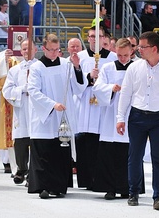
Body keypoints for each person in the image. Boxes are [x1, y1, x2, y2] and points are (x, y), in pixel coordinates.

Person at [117, 31, 159, 210]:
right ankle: (133, 192)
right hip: (137, 116)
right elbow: (126, 93)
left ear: (154, 48)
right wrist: (120, 118)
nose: (138, 49)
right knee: (135, 156)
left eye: (142, 47)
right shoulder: (134, 67)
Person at [27, 34, 86, 199]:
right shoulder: (37, 67)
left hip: (62, 117)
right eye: (51, 50)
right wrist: (52, 104)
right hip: (45, 117)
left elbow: (78, 88)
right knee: (44, 152)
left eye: (57, 50)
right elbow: (33, 91)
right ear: (43, 49)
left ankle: (58, 186)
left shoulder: (66, 64)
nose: (54, 53)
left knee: (60, 153)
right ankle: (43, 187)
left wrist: (77, 68)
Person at [75, 27, 117, 189]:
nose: (95, 39)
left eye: (98, 36)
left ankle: (100, 180)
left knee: (102, 143)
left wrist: (102, 84)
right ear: (88, 38)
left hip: (103, 105)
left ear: (104, 38)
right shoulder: (80, 57)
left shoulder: (112, 58)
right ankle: (85, 180)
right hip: (85, 102)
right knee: (84, 141)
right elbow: (73, 82)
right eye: (92, 36)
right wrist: (88, 77)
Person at [92, 38, 132, 199]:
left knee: (127, 154)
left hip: (130, 114)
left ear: (131, 52)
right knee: (109, 153)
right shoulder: (108, 68)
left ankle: (127, 187)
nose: (122, 58)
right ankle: (109, 187)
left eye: (125, 55)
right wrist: (111, 88)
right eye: (120, 55)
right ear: (115, 51)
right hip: (110, 114)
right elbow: (97, 87)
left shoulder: (136, 67)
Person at [2, 39, 38, 185]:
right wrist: (22, 89)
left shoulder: (40, 67)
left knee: (35, 140)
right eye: (24, 49)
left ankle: (33, 174)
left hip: (36, 109)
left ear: (35, 50)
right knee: (21, 141)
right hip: (22, 107)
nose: (26, 51)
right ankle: (22, 169)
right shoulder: (15, 70)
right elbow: (7, 90)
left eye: (29, 48)